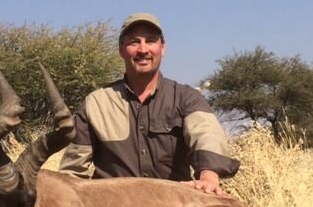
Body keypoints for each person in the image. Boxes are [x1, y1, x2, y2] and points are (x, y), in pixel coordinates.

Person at [59, 12, 239, 194]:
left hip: (173, 206)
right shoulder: (96, 103)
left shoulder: (187, 97)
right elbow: (71, 173)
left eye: (151, 41)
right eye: (134, 42)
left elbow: (207, 136)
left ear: (162, 48)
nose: (143, 50)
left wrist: (208, 178)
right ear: (121, 49)